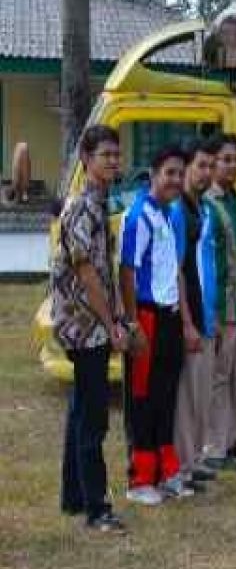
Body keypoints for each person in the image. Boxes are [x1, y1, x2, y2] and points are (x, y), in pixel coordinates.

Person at [53, 125, 138, 532]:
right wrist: (111, 325)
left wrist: (118, 316)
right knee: (94, 419)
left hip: (96, 325)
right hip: (85, 328)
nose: (114, 161)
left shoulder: (99, 203)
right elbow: (86, 274)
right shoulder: (81, 207)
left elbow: (105, 271)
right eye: (106, 154)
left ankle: (74, 496)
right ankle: (97, 510)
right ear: (86, 159)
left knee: (80, 411)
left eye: (117, 155)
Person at [119, 146, 189, 506]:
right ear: (154, 174)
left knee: (165, 396)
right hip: (145, 315)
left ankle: (165, 472)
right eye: (169, 173)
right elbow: (127, 271)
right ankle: (139, 479)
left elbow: (171, 271)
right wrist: (133, 324)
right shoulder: (139, 216)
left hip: (169, 317)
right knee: (142, 398)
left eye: (180, 174)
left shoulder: (167, 215)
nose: (176, 180)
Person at [169, 139, 221, 493]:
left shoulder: (200, 209)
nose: (206, 173)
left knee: (201, 396)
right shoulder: (178, 212)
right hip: (189, 320)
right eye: (200, 165)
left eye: (210, 166)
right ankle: (178, 468)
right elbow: (177, 271)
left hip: (206, 316)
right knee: (185, 400)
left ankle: (191, 462)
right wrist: (187, 323)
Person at [204, 133, 236, 469]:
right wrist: (214, 314)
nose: (233, 165)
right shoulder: (208, 205)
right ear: (210, 163)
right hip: (223, 310)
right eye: (226, 159)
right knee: (217, 380)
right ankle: (213, 448)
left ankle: (228, 437)